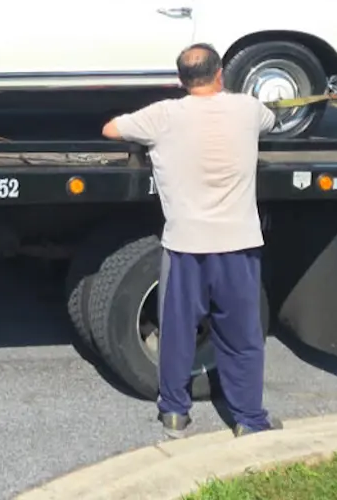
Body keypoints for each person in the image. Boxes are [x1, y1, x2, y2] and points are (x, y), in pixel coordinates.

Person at [102, 43, 280, 438]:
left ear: (180, 80)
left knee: (178, 333)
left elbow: (111, 129)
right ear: (220, 74)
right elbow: (272, 120)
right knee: (241, 337)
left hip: (185, 246)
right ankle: (249, 419)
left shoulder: (162, 115)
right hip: (238, 244)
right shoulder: (248, 109)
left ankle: (175, 415)